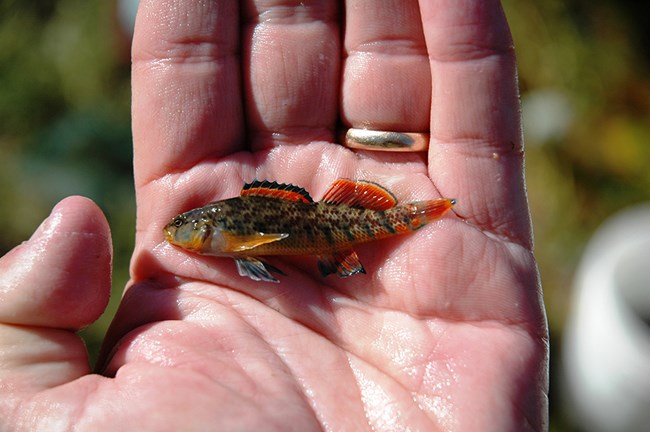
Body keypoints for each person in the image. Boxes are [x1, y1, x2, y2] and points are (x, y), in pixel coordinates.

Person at [0, 0, 548, 430]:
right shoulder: (226, 237)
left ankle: (419, 216)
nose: (181, 236)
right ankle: (419, 215)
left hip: (332, 227)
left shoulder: (231, 235)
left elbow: (261, 247)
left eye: (190, 230)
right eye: (188, 229)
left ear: (214, 230)